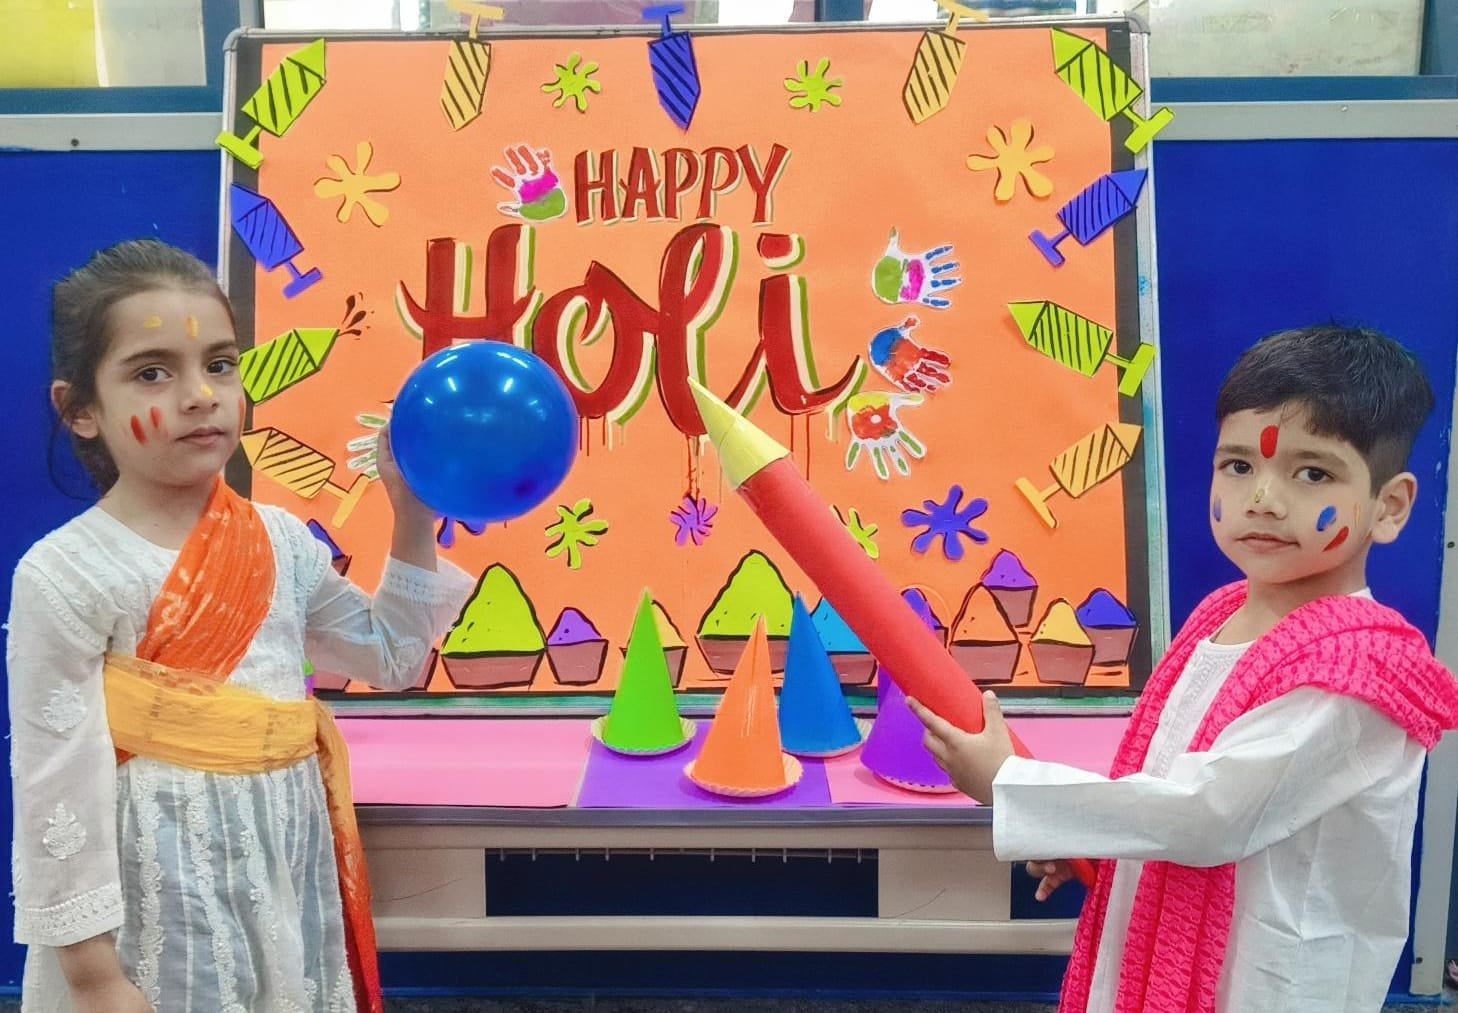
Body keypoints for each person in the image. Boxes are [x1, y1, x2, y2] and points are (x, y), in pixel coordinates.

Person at [910, 325, 1458, 1012]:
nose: (1263, 498)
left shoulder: (1358, 671)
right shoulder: (1220, 615)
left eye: (1312, 473)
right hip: (1155, 947)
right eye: (1239, 465)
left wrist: (1009, 783)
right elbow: (1165, 782)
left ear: (1391, 506)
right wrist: (1086, 837)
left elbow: (1209, 813)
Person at [7, 239, 474, 1012]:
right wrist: (94, 977)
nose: (201, 395)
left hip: (280, 871)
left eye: (220, 364)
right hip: (156, 902)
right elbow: (55, 789)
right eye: (152, 373)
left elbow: (391, 655)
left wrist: (413, 512)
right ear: (80, 409)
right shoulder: (66, 573)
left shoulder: (281, 541)